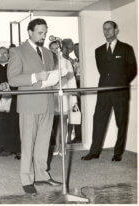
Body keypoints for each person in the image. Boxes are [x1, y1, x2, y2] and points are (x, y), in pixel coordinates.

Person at [7, 18, 62, 194]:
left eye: (45, 32)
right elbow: (13, 79)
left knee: (44, 143)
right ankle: (26, 178)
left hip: (47, 102)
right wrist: (34, 77)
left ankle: (42, 175)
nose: (43, 36)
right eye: (40, 32)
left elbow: (50, 76)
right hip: (29, 104)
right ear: (30, 32)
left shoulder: (48, 52)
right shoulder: (17, 52)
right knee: (28, 144)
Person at [81, 21, 137, 162]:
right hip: (104, 91)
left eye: (109, 29)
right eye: (104, 29)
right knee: (98, 120)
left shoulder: (126, 48)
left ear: (116, 30)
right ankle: (94, 152)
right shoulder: (99, 50)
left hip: (120, 91)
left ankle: (118, 153)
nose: (106, 32)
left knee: (121, 122)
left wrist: (121, 83)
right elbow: (102, 70)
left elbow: (133, 70)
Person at [53, 40, 78, 155]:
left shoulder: (66, 62)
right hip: (51, 96)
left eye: (57, 48)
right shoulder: (47, 62)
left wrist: (74, 98)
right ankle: (56, 145)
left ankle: (61, 146)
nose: (55, 50)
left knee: (63, 120)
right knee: (53, 122)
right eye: (52, 48)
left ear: (61, 48)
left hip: (64, 95)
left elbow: (72, 80)